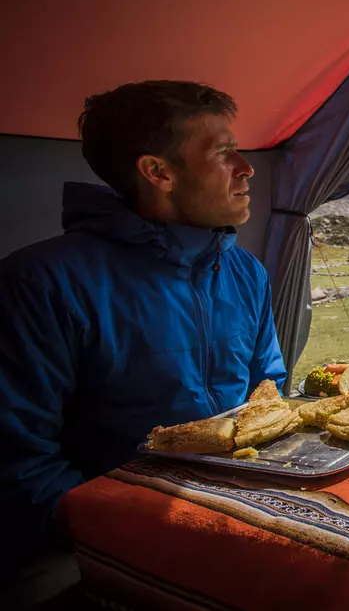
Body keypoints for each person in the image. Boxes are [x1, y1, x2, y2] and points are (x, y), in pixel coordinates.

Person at [0, 81, 287, 565]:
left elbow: (268, 388)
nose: (247, 168)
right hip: (104, 543)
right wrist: (132, 529)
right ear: (158, 172)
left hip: (241, 508)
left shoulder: (245, 273)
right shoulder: (42, 283)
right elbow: (16, 461)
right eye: (223, 153)